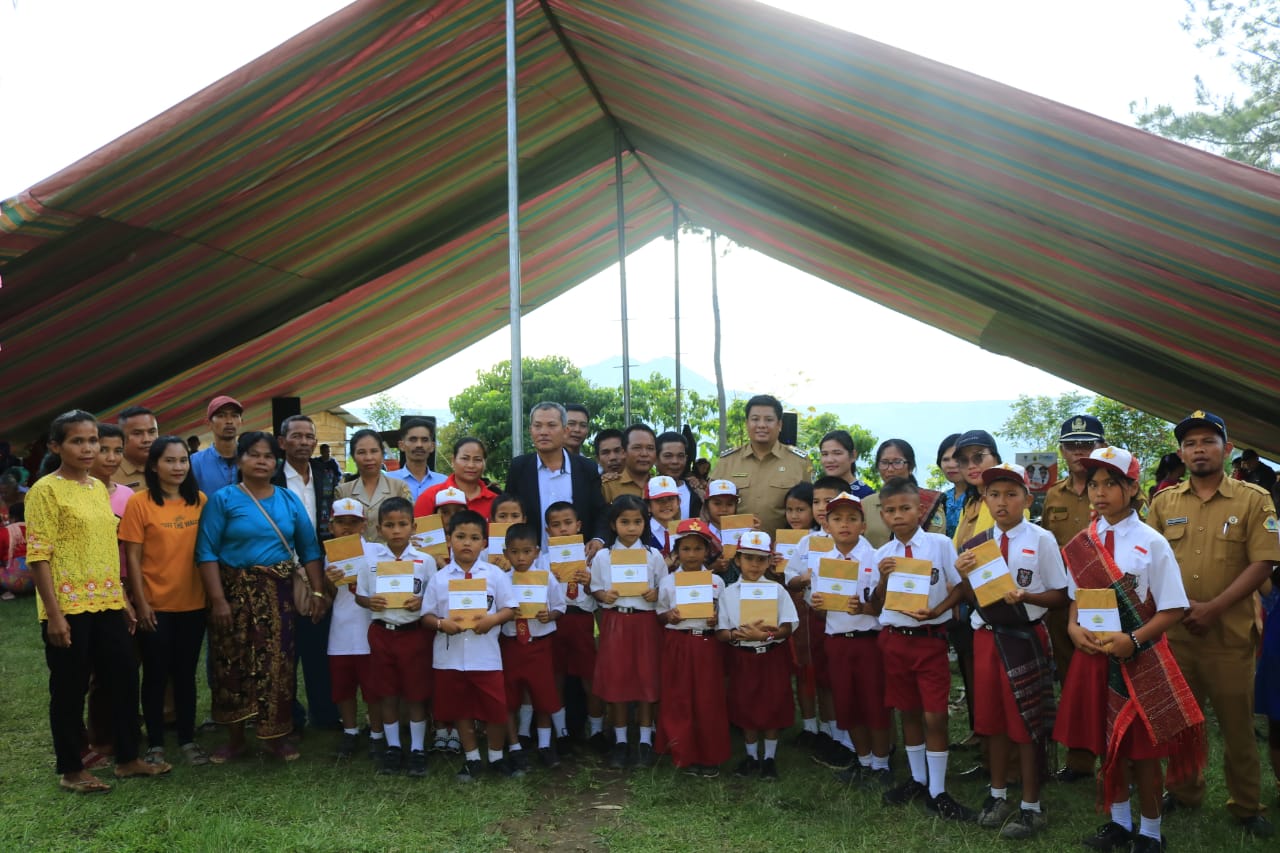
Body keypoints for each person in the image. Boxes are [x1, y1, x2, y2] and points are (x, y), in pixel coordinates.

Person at [1057, 446, 1205, 853]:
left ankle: (1151, 832)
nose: (1099, 493)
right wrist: (1072, 627)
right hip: (1094, 657)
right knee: (1109, 746)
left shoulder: (1150, 542)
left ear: (1132, 487)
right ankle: (1120, 822)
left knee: (1142, 753)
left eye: (1110, 484)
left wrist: (1134, 640)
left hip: (1140, 657)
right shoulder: (1083, 542)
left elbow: (1174, 605)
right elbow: (1076, 597)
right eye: (1094, 484)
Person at [1148, 411, 1279, 837]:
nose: (1198, 449)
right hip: (1177, 635)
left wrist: (1214, 607)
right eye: (1190, 443)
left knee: (1237, 726)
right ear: (1181, 452)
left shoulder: (1254, 499)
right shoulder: (1164, 502)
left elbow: (1264, 562)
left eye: (1207, 441)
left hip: (1229, 636)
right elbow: (1146, 559)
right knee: (1183, 722)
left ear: (1229, 447)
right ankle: (1185, 790)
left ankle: (1246, 804)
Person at [27, 410, 170, 792]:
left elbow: (109, 548)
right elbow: (38, 556)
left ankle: (127, 758)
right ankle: (71, 769)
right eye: (79, 441)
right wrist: (54, 615)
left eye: (93, 440)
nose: (89, 448)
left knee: (122, 679)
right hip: (68, 606)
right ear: (56, 446)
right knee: (70, 689)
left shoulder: (96, 488)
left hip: (107, 602)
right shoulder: (45, 490)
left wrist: (122, 599)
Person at [195, 431, 329, 762]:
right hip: (234, 595)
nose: (261, 461)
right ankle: (236, 737)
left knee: (278, 665)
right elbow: (206, 552)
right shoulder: (223, 500)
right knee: (232, 664)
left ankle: (275, 736)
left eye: (268, 456)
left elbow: (309, 549)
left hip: (277, 596)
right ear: (240, 460)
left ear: (276, 462)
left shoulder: (287, 500)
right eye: (253, 454)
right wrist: (218, 601)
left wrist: (316, 591)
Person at [955, 463, 1067, 840]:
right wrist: (964, 574)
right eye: (994, 495)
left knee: (1027, 723)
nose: (1002, 502)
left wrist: (1028, 596)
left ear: (1027, 498)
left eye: (1011, 494)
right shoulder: (976, 544)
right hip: (986, 637)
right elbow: (974, 600)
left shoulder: (1041, 539)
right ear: (985, 499)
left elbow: (1060, 594)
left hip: (1024, 636)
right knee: (991, 720)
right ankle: (998, 792)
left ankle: (1032, 804)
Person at [875, 477, 975, 821]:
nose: (898, 515)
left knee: (935, 715)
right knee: (909, 711)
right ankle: (918, 779)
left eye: (905, 508)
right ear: (882, 515)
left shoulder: (939, 544)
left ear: (920, 510)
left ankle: (938, 790)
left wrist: (938, 610)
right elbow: (875, 605)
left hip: (930, 639)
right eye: (890, 510)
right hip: (894, 641)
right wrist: (883, 579)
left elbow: (962, 588)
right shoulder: (882, 554)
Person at [120, 436, 209, 767]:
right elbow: (132, 556)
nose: (178, 467)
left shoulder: (199, 500)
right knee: (156, 674)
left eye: (183, 460)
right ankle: (155, 742)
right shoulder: (139, 503)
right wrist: (141, 604)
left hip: (194, 604)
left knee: (185, 674)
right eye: (170, 461)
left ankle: (187, 738)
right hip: (155, 605)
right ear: (154, 465)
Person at [420, 509, 521, 781]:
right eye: (460, 536)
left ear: (485, 543)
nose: (467, 543)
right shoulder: (440, 579)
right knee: (461, 709)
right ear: (448, 539)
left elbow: (510, 608)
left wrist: (492, 620)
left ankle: (497, 756)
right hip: (450, 658)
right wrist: (442, 624)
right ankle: (473, 758)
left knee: (495, 709)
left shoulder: (494, 575)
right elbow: (426, 616)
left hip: (486, 656)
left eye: (475, 538)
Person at [1036, 413, 1108, 782]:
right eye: (1072, 445)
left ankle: (1112, 756)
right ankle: (1080, 761)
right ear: (1062, 451)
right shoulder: (1054, 494)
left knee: (1109, 678)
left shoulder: (1115, 489)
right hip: (1063, 600)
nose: (1079, 451)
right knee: (1071, 680)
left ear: (1101, 447)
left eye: (1087, 444)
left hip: (1106, 602)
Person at [805, 493, 891, 786]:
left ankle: (882, 764)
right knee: (847, 702)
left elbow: (883, 605)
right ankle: (864, 760)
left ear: (864, 525)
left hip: (868, 640)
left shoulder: (877, 557)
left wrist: (865, 607)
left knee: (874, 704)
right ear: (826, 526)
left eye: (852, 518)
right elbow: (821, 611)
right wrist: (817, 605)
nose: (845, 525)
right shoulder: (822, 562)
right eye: (837, 519)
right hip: (837, 640)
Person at [355, 497, 434, 777]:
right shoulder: (370, 562)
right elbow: (361, 596)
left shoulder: (425, 561)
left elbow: (434, 597)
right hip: (383, 633)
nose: (397, 530)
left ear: (413, 526)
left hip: (414, 635)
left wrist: (422, 601)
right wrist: (370, 603)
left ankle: (417, 749)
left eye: (402, 524)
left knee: (415, 694)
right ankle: (393, 748)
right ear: (379, 529)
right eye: (389, 525)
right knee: (386, 693)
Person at [273, 413, 341, 731]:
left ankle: (324, 714)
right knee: (284, 649)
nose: (303, 442)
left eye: (308, 436)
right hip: (280, 572)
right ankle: (289, 716)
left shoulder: (326, 475)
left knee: (319, 645)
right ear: (282, 441)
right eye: (296, 436)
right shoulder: (271, 477)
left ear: (315, 442)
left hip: (321, 571)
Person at [591, 494, 667, 769]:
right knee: (617, 680)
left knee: (647, 679)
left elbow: (665, 589)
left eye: (637, 522)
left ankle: (645, 739)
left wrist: (656, 593)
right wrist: (604, 595)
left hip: (645, 623)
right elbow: (595, 588)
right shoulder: (603, 556)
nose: (631, 528)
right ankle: (621, 740)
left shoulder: (653, 555)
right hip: (616, 622)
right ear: (613, 525)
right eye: (625, 522)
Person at [717, 530, 799, 781]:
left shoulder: (777, 590)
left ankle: (770, 758)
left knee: (773, 704)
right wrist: (735, 636)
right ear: (738, 560)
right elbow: (721, 631)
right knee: (745, 704)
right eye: (749, 558)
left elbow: (789, 624)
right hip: (743, 656)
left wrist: (769, 637)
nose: (755, 565)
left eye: (761, 559)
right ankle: (751, 756)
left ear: (768, 562)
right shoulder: (728, 593)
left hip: (771, 654)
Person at [785, 475, 853, 767]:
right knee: (822, 677)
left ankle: (849, 738)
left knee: (843, 680)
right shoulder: (808, 541)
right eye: (816, 502)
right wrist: (806, 577)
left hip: (847, 622)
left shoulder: (856, 542)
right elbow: (790, 576)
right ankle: (830, 734)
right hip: (816, 618)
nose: (822, 508)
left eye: (830, 501)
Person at [655, 518, 729, 776]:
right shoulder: (668, 582)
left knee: (708, 699)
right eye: (686, 549)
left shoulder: (717, 583)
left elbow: (724, 615)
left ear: (707, 552)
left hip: (707, 644)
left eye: (698, 548)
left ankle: (710, 756)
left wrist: (716, 619)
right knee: (680, 698)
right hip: (678, 643)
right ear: (676, 553)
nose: (692, 554)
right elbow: (660, 613)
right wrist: (670, 617)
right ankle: (683, 752)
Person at [497, 523, 567, 769]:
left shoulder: (545, 577)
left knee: (543, 693)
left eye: (527, 551)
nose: (521, 557)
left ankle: (545, 745)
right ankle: (515, 745)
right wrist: (507, 613)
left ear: (537, 552)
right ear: (506, 553)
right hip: (511, 643)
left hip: (540, 644)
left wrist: (551, 615)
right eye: (514, 552)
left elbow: (560, 606)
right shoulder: (501, 579)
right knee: (509, 694)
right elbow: (494, 610)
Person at [321, 498, 385, 761]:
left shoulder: (377, 552)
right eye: (341, 523)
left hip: (369, 628)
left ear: (364, 525)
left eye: (353, 522)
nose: (347, 528)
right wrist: (328, 582)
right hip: (341, 629)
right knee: (343, 687)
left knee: (373, 687)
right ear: (331, 525)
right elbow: (327, 596)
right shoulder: (328, 555)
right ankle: (350, 730)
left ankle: (377, 734)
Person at [505, 402, 607, 551]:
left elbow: (600, 512)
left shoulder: (586, 468)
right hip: (531, 562)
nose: (543, 432)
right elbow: (508, 512)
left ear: (565, 430)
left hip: (578, 562)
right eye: (537, 426)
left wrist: (598, 539)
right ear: (530, 430)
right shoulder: (519, 468)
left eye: (551, 425)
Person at [545, 501, 605, 750]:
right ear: (548, 530)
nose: (563, 529)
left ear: (578, 525)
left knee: (589, 678)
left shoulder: (593, 557)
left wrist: (590, 582)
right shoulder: (542, 559)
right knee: (556, 677)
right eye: (556, 525)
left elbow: (602, 592)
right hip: (554, 623)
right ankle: (562, 732)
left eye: (568, 523)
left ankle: (597, 731)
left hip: (583, 620)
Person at [710, 394, 812, 534]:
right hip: (736, 551)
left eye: (769, 420)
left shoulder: (799, 462)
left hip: (782, 551)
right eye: (755, 419)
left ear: (780, 424)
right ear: (747, 423)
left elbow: (810, 508)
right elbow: (710, 508)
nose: (762, 425)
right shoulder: (728, 461)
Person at [860, 439, 946, 548]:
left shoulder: (929, 502)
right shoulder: (865, 504)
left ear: (911, 467)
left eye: (897, 462)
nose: (890, 469)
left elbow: (936, 546)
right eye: (884, 463)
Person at [337, 429, 413, 544]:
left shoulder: (399, 487)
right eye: (361, 452)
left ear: (382, 455)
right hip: (357, 558)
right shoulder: (343, 491)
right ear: (353, 456)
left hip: (392, 557)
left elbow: (410, 526)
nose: (368, 458)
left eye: (374, 451)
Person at [414, 437, 498, 521]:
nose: (471, 465)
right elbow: (418, 532)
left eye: (477, 459)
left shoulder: (496, 501)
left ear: (484, 463)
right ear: (453, 461)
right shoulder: (430, 497)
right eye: (465, 458)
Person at [189, 395, 243, 497]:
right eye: (221, 416)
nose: (229, 421)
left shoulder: (250, 458)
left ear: (241, 422)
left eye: (235, 415)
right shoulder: (195, 462)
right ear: (208, 423)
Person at [387, 418, 447, 502]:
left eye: (424, 440)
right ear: (401, 445)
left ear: (432, 446)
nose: (419, 445)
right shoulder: (387, 480)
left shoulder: (444, 482)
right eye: (413, 439)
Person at [602, 424, 658, 503]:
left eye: (650, 448)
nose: (644, 454)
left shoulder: (661, 485)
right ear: (623, 452)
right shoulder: (607, 486)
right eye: (637, 448)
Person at [655, 431, 703, 520]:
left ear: (686, 458)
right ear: (656, 459)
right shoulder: (646, 491)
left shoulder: (697, 493)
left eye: (680, 456)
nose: (675, 461)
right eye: (668, 456)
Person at [113, 406, 159, 493]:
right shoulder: (109, 472)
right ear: (121, 437)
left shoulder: (168, 466)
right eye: (137, 433)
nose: (147, 439)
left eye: (152, 432)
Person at [816, 430, 874, 498]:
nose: (829, 460)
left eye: (837, 453)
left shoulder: (867, 495)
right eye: (824, 454)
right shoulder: (816, 492)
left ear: (853, 456)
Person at [936, 434, 967, 539]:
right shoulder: (940, 499)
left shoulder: (982, 496)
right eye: (945, 459)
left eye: (957, 459)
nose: (951, 465)